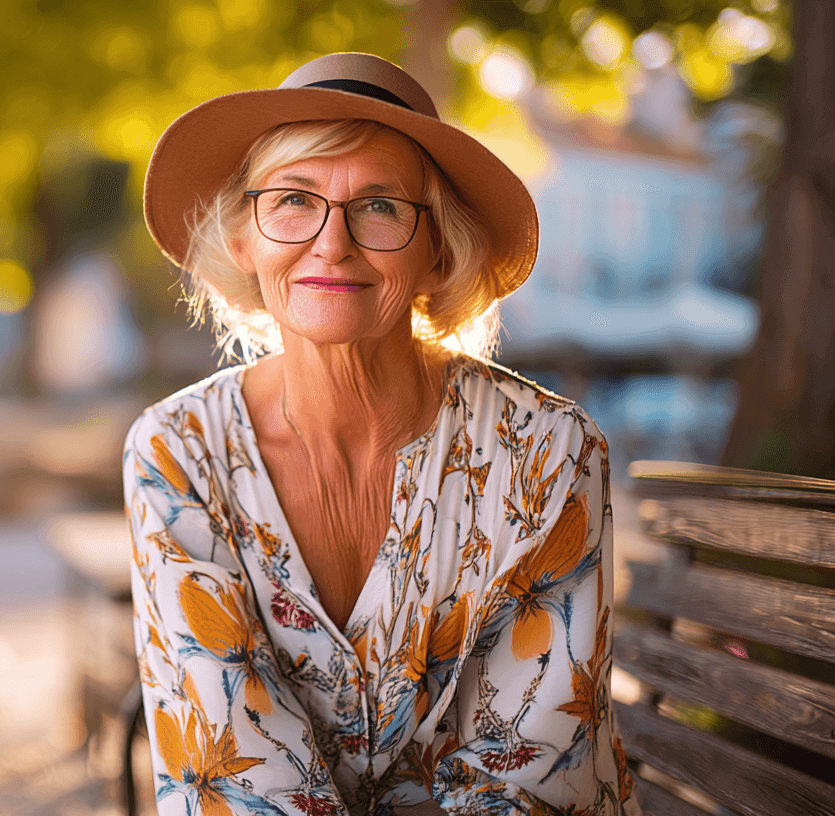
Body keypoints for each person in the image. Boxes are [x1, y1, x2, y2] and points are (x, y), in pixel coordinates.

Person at [123, 53, 640, 815]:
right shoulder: (179, 451)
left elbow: (529, 778)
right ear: (243, 241)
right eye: (294, 200)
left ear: (440, 252)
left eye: (380, 207)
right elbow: (234, 781)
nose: (332, 243)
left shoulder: (548, 453)